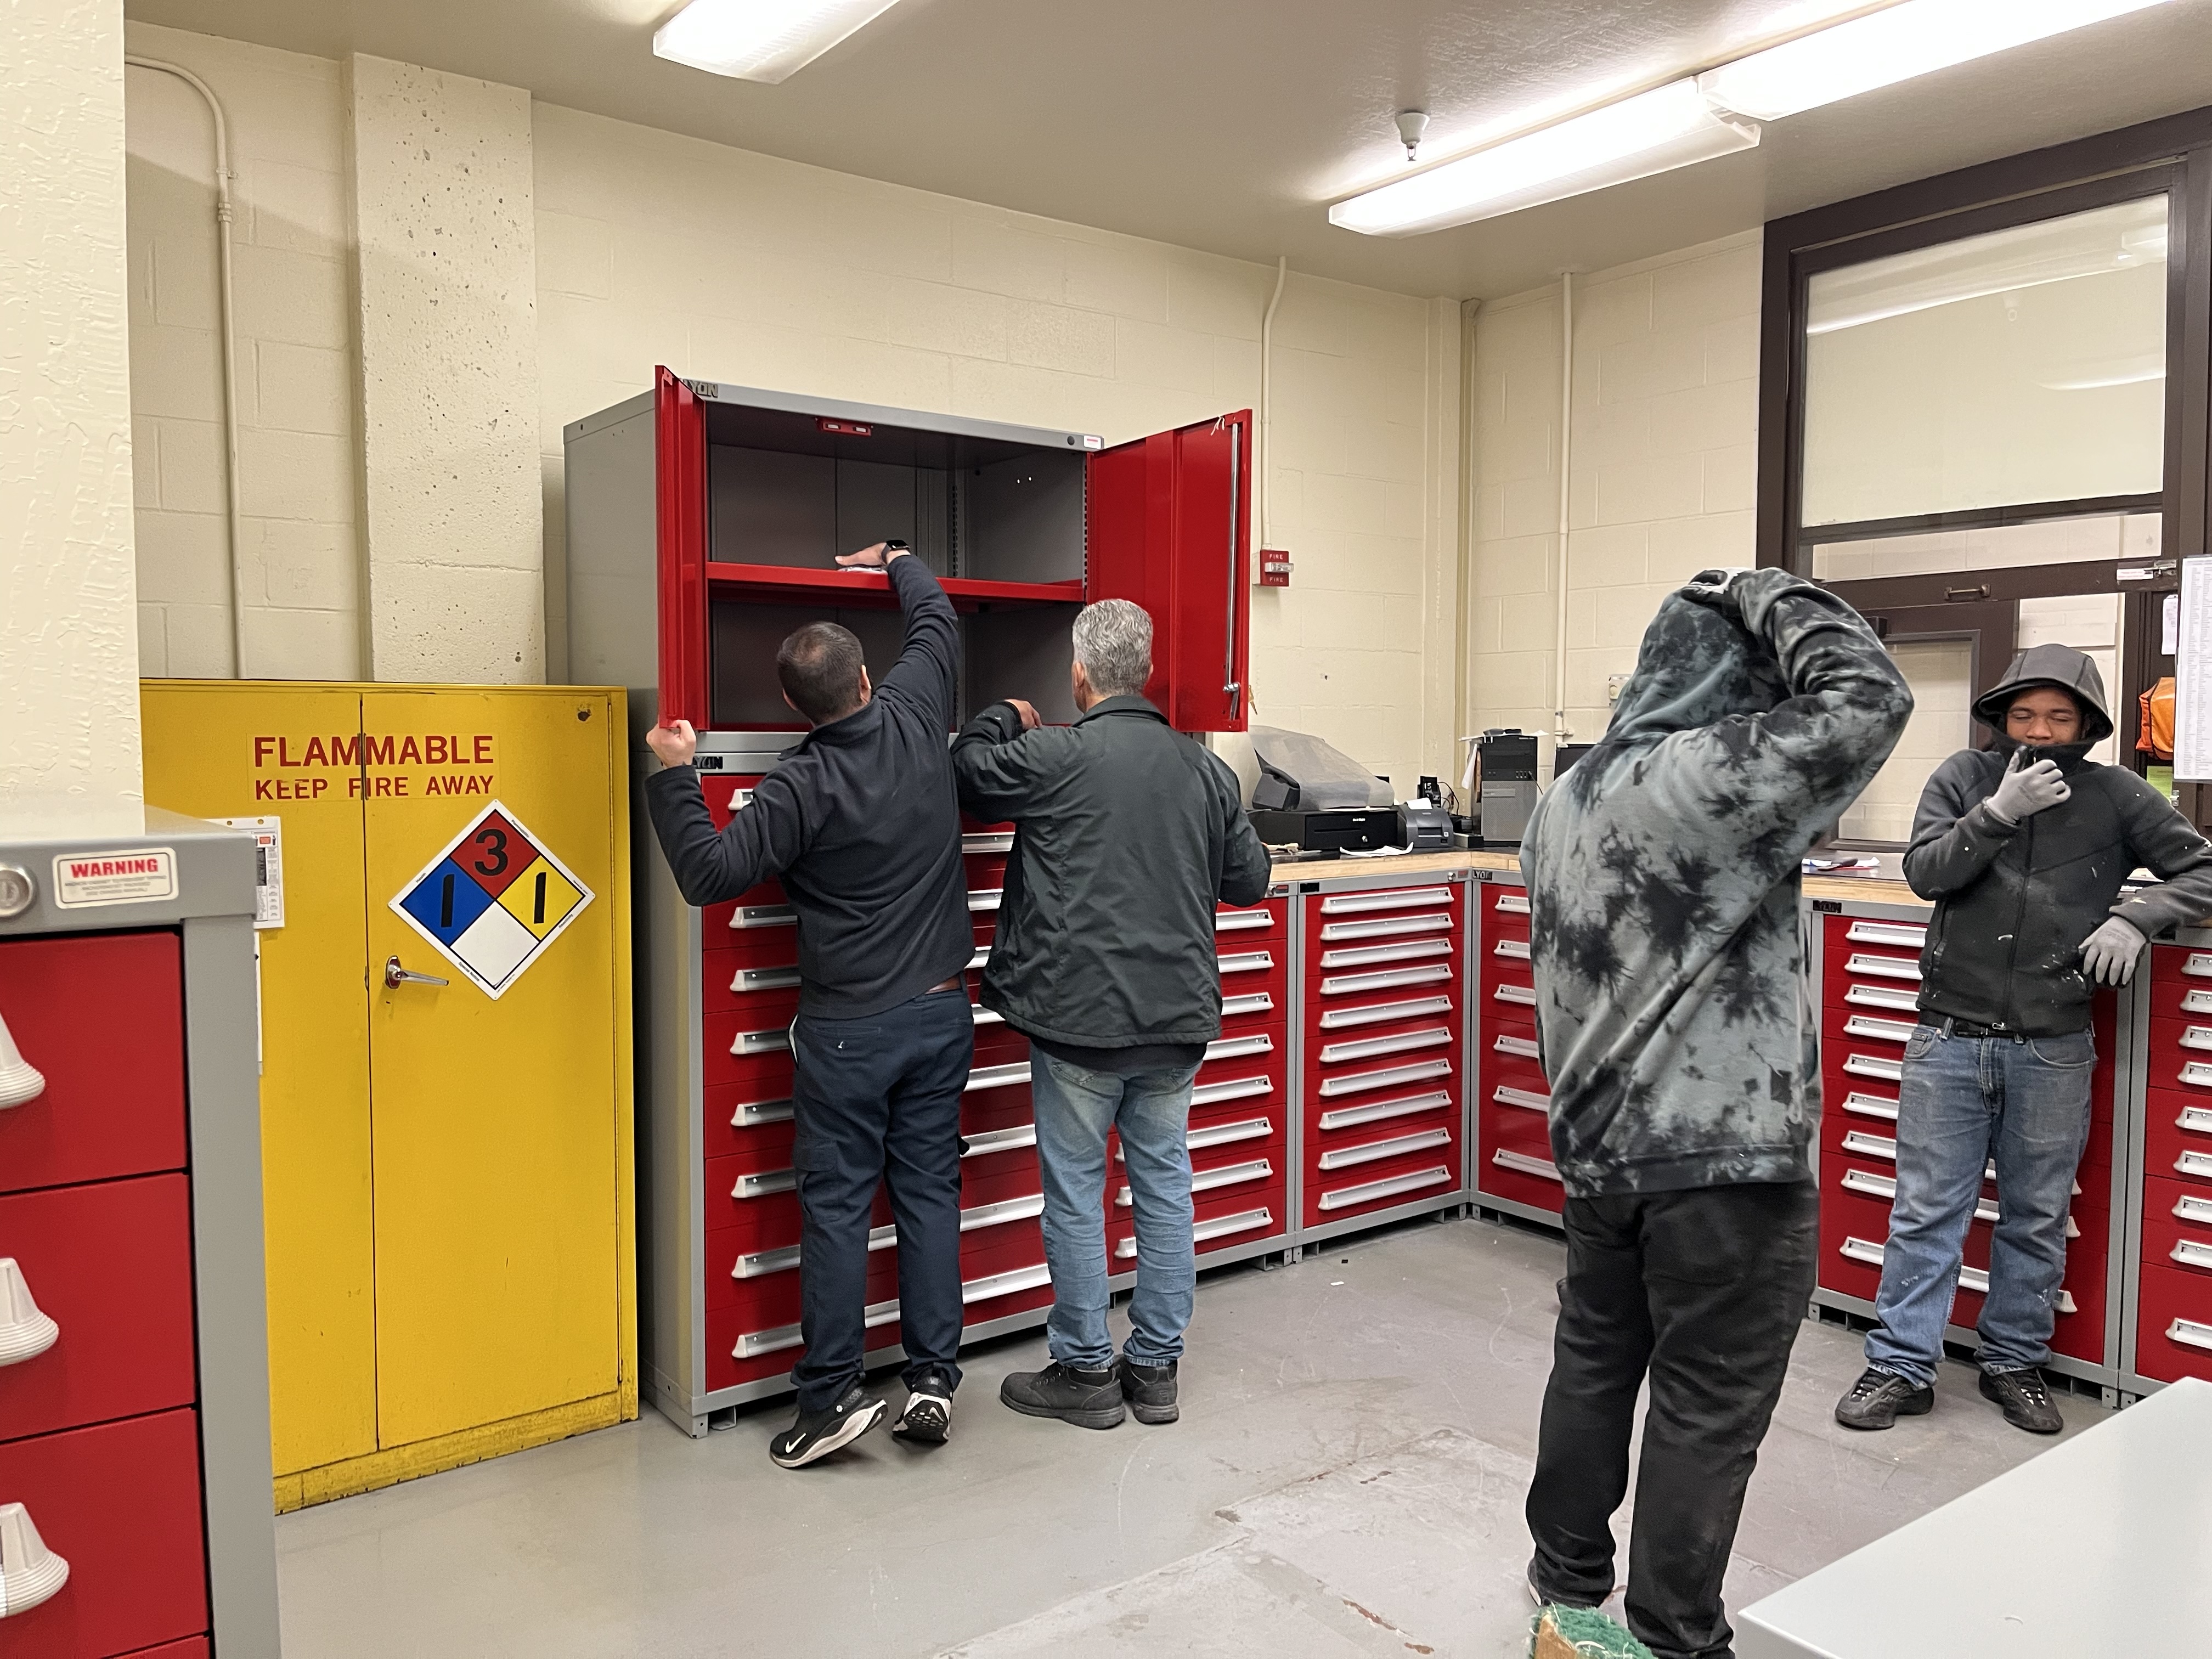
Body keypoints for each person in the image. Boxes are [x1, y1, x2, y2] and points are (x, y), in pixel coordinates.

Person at [1520, 567, 1912, 1659]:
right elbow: (1872, 698)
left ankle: (1565, 1595)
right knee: (1705, 1405)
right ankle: (1675, 1638)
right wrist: (1770, 590)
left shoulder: (1569, 795)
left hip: (1598, 1151)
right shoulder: (1712, 774)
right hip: (1723, 1165)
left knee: (1594, 1362)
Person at [644, 540, 973, 1469]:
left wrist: (675, 772)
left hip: (850, 1033)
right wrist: (896, 557)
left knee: (836, 1210)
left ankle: (829, 1401)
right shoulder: (918, 710)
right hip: (942, 1014)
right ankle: (933, 1383)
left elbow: (709, 874)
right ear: (868, 680)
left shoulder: (797, 782)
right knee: (928, 1197)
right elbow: (936, 619)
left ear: (797, 707)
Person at [1837, 646, 2212, 1435]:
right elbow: (1926, 874)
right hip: (1948, 1036)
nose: (2040, 731)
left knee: (2036, 1215)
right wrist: (1997, 813)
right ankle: (1901, 1364)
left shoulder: (2118, 794)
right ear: (2001, 717)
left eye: (2059, 717)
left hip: (2053, 1044)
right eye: (2024, 715)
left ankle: (2014, 1362)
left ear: (2088, 725)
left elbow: (2203, 871)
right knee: (1926, 1212)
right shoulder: (1963, 779)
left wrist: (2137, 917)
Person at [950, 600, 1271, 1430]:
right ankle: (1156, 1369)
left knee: (1076, 1192)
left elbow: (969, 771)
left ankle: (1086, 1370)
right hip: (1175, 1023)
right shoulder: (1204, 770)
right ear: (1148, 672)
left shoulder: (1056, 755)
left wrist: (1001, 717)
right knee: (1165, 1187)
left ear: (1079, 675)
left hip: (1078, 1024)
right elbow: (1250, 881)